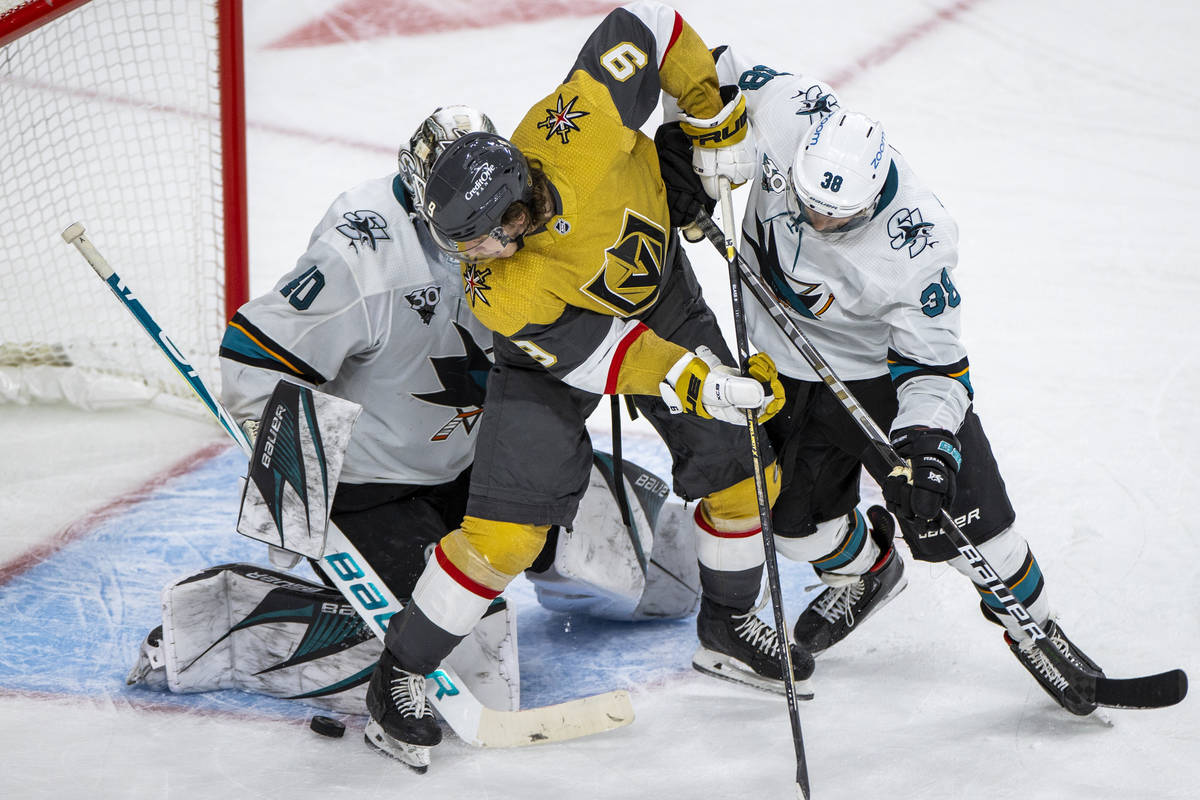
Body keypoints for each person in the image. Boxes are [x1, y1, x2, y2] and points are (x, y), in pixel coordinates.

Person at [125, 105, 701, 719]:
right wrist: (290, 493)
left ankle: (545, 568)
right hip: (376, 489)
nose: (503, 238)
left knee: (668, 571)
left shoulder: (523, 212)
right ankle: (239, 628)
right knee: (476, 662)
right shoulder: (363, 255)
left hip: (485, 457)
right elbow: (255, 360)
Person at [365, 0, 814, 769]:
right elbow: (605, 356)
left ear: (513, 209)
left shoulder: (576, 122)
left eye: (477, 235)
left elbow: (649, 24)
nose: (471, 253)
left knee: (746, 474)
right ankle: (398, 675)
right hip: (559, 357)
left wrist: (714, 120)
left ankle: (727, 626)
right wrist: (695, 379)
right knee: (505, 537)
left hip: (661, 295)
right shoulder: (498, 289)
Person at [657, 46, 1107, 716]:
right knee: (788, 524)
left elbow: (936, 366)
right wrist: (684, 143)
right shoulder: (786, 109)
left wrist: (928, 446)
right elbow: (697, 65)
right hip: (780, 364)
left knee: (973, 527)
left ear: (874, 195)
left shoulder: (918, 245)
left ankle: (1033, 628)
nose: (817, 222)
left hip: (877, 380)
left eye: (836, 217)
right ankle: (869, 570)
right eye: (807, 203)